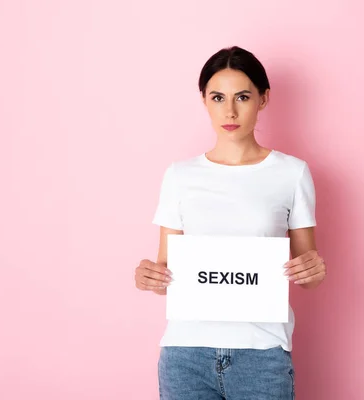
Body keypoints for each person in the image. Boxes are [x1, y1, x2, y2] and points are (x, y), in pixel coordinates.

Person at [134, 46, 327, 400]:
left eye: (242, 96)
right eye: (218, 97)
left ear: (263, 99)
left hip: (262, 354)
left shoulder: (292, 173)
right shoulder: (179, 176)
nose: (230, 110)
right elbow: (165, 271)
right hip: (185, 354)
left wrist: (313, 269)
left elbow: (307, 271)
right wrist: (149, 276)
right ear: (204, 100)